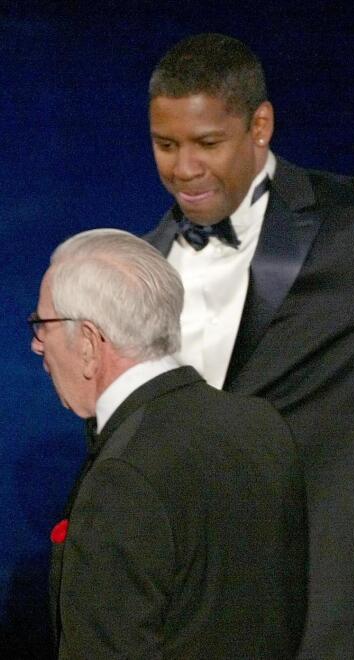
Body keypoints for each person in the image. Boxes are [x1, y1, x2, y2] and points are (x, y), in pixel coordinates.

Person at [143, 33, 354, 659]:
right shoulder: (141, 265)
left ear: (260, 126)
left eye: (206, 143)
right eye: (165, 145)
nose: (183, 168)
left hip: (325, 614)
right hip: (187, 619)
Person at [30, 229, 307, 658]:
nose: (36, 344)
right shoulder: (261, 425)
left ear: (88, 342)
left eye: (41, 324)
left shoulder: (123, 475)